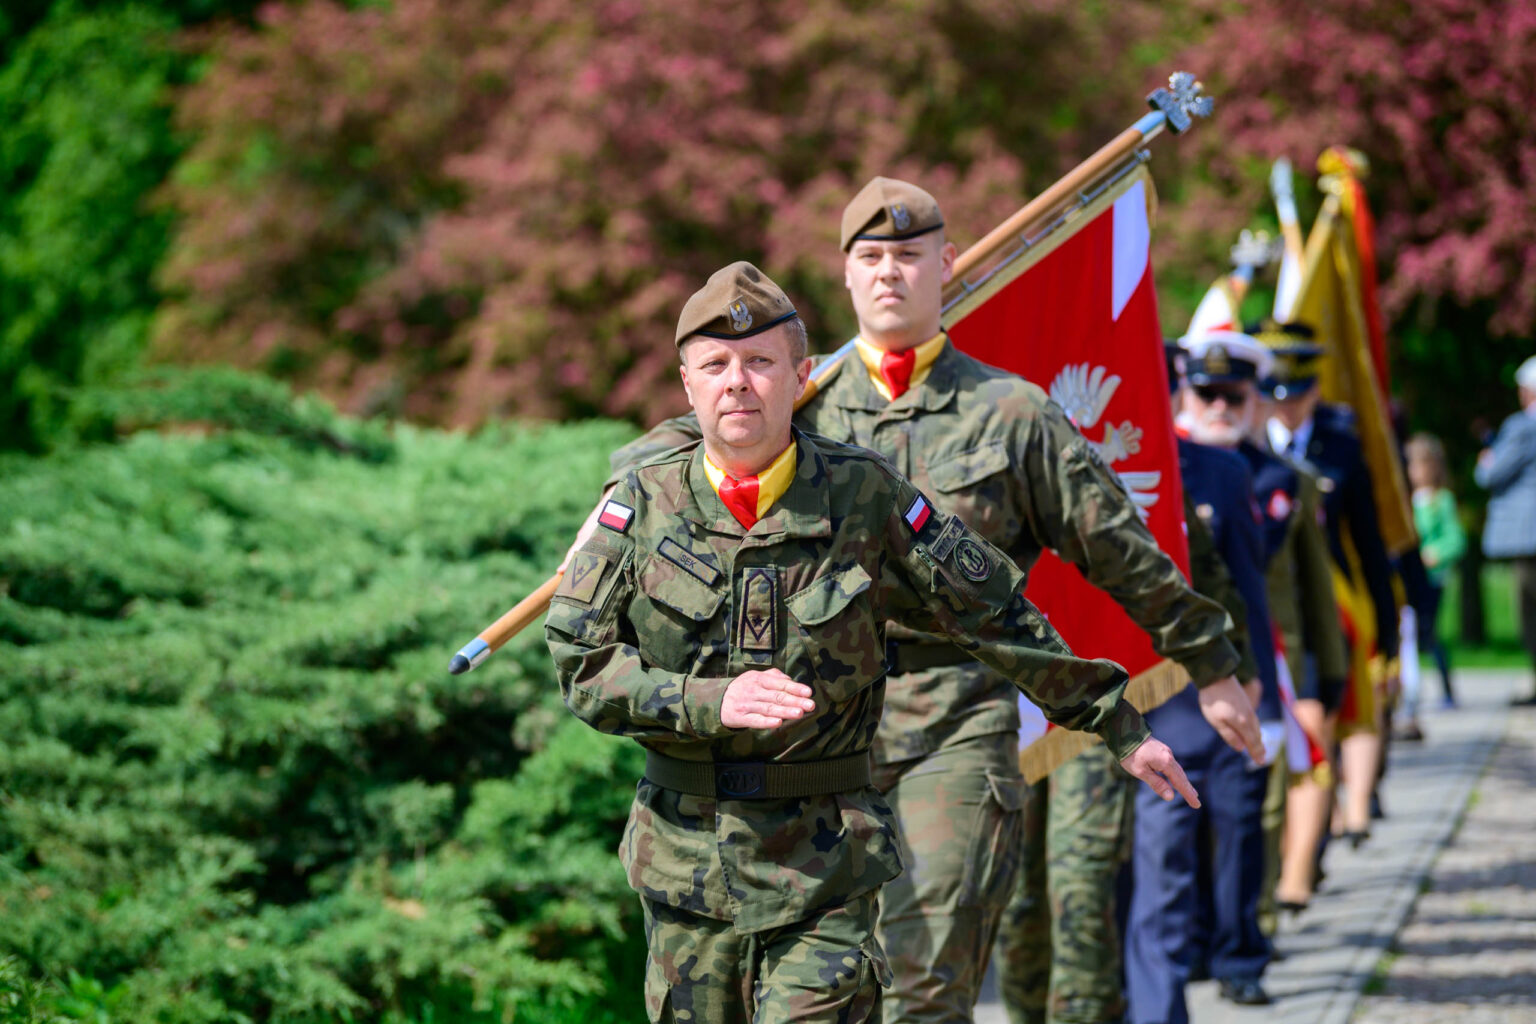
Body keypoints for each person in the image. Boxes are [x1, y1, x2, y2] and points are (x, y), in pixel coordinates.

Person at [600, 179, 1260, 1024]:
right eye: (869, 258)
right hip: (820, 734)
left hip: (958, 716)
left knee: (923, 983)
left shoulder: (1011, 413)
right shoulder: (802, 398)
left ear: (947, 265)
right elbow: (681, 451)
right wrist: (631, 477)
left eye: (908, 256)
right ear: (843, 276)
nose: (888, 275)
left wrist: (1208, 663)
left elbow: (1122, 551)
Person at [1123, 333, 1278, 1018]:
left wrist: (1253, 681)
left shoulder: (1218, 473)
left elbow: (1243, 587)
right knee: (1135, 877)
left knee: (1203, 851)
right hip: (1100, 698)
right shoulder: (1066, 468)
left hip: (1193, 695)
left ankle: (1203, 980)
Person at [1266, 327, 1399, 844]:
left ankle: (1340, 811)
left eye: (1297, 396)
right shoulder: (1248, 447)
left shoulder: (1340, 448)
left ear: (1313, 393)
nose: (1287, 408)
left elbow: (1367, 542)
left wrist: (1385, 625)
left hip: (1335, 596)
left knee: (1330, 701)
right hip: (1275, 601)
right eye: (1277, 397)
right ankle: (1317, 819)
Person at [1249, 324, 1350, 916]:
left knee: (1287, 778)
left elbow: (1317, 584)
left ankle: (1279, 892)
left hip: (1285, 651)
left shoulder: (1300, 479)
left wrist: (1329, 673)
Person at [1476, 354, 1536, 706]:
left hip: (1528, 534)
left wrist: (1487, 461)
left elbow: (1491, 474)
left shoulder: (1522, 426)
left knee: (1529, 610)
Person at [1405, 433, 1465, 717]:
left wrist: (1436, 553)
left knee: (1429, 634)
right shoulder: (1406, 500)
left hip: (1432, 579)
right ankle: (1408, 689)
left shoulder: (1441, 501)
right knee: (1407, 633)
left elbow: (1456, 540)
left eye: (1421, 466)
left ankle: (1447, 689)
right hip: (1408, 577)